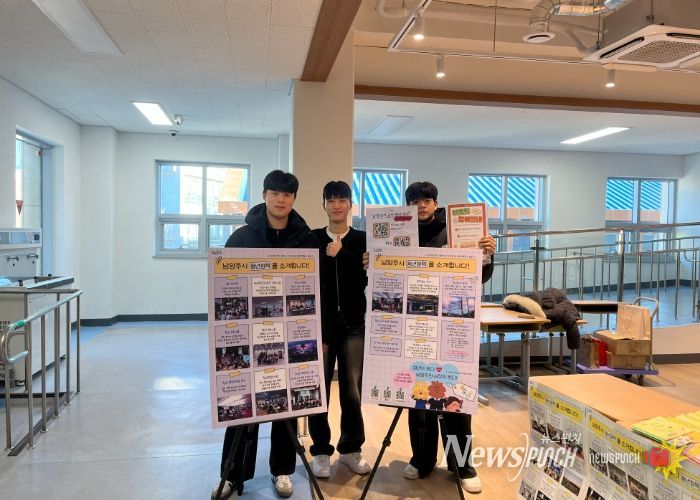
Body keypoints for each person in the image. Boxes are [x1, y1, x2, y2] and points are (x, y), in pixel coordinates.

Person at [212, 170, 322, 499]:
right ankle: (232, 475)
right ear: (264, 195)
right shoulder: (242, 237)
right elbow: (223, 285)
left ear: (294, 199)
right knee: (242, 405)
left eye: (287, 194)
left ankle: (282, 469)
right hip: (248, 335)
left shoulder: (306, 239)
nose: (280, 199)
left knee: (285, 404)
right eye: (275, 193)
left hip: (291, 333)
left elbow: (318, 288)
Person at [403, 181, 495, 494]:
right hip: (416, 326)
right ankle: (422, 459)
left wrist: (487, 254)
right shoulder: (401, 236)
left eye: (426, 200)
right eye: (414, 201)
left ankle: (462, 464)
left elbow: (480, 276)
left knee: (455, 395)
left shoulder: (453, 231)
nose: (421, 205)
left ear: (435, 203)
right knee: (419, 395)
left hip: (454, 325)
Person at [308, 181, 371, 478]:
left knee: (352, 391)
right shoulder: (313, 239)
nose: (336, 205)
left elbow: (365, 279)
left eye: (342, 199)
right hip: (320, 326)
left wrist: (343, 253)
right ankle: (321, 450)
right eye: (330, 200)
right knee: (317, 390)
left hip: (354, 324)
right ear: (324, 204)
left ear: (350, 205)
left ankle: (350, 450)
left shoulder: (363, 240)